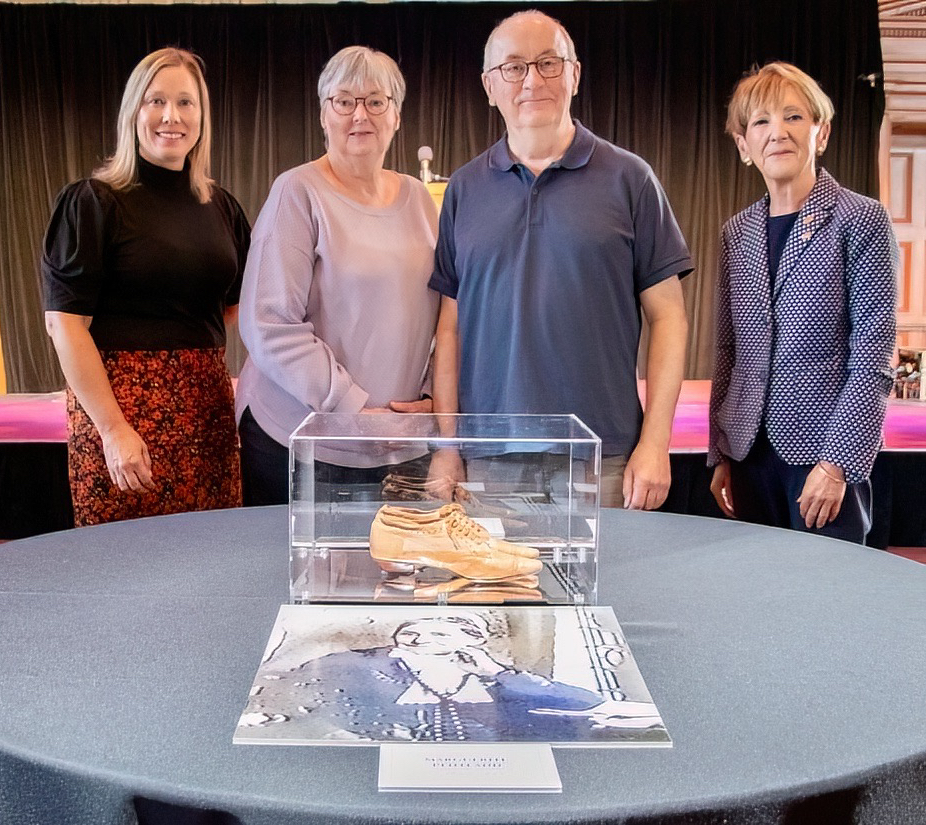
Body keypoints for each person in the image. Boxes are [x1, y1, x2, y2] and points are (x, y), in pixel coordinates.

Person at [428, 11, 692, 511]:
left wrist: (655, 443)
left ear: (574, 74)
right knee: (493, 591)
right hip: (488, 458)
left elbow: (669, 317)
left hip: (602, 457)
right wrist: (447, 446)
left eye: (549, 63)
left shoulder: (630, 179)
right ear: (489, 86)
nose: (532, 80)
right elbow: (449, 330)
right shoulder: (463, 189)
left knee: (611, 592)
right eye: (513, 67)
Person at [41, 47, 250, 527]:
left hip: (206, 412)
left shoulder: (221, 207)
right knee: (125, 568)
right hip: (121, 412)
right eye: (155, 101)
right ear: (133, 110)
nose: (171, 116)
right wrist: (114, 430)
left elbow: (241, 306)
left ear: (202, 115)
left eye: (185, 102)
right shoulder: (93, 202)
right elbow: (65, 326)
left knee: (210, 561)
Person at [236, 46, 439, 505]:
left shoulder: (419, 198)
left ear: (397, 116)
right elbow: (268, 324)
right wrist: (355, 409)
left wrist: (430, 398)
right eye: (343, 101)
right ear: (324, 115)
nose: (359, 114)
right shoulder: (298, 191)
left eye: (375, 101)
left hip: (400, 444)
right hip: (304, 444)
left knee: (395, 575)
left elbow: (445, 315)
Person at [708, 62, 897, 544]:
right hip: (748, 456)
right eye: (761, 122)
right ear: (743, 146)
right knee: (759, 597)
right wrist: (721, 453)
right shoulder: (736, 232)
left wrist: (837, 465)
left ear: (822, 132)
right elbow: (728, 352)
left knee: (826, 605)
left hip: (823, 458)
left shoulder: (861, 218)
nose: (777, 133)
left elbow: (873, 354)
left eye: (793, 116)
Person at [239, 614, 662, 742]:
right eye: (414, 629)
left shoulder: (501, 683)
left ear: (472, 640)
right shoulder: (355, 664)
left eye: (440, 631)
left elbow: (588, 707)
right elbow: (290, 697)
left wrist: (496, 672)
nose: (420, 634)